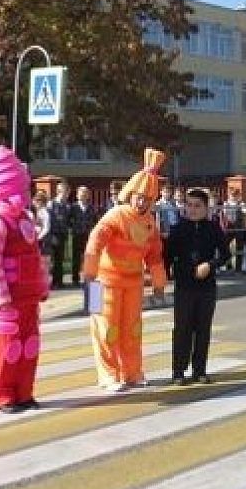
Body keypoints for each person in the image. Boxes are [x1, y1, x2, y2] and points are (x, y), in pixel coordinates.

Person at [81, 148, 168, 392]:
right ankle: (108, 375)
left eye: (147, 198)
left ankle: (132, 372)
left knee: (132, 329)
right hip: (102, 282)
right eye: (139, 196)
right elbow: (95, 242)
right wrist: (88, 275)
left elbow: (154, 255)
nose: (141, 201)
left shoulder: (150, 222)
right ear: (130, 194)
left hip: (133, 283)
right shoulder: (115, 215)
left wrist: (159, 285)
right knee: (105, 329)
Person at [0, 146, 49, 413]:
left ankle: (24, 392)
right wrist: (1, 297)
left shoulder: (26, 219)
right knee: (8, 346)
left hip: (29, 297)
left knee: (29, 345)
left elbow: (36, 255)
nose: (25, 194)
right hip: (8, 299)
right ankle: (4, 395)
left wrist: (42, 285)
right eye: (21, 188)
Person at [164, 187, 230, 385]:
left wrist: (210, 265)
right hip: (184, 286)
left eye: (197, 206)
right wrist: (164, 278)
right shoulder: (178, 229)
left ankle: (199, 370)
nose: (192, 209)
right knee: (182, 329)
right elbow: (166, 257)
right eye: (189, 205)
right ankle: (178, 371)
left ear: (206, 208)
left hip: (206, 286)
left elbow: (225, 255)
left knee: (203, 329)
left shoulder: (213, 228)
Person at [68, 186, 98, 286]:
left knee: (88, 258)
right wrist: (73, 229)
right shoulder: (73, 208)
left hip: (88, 236)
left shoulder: (92, 208)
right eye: (81, 193)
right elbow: (69, 221)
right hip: (77, 235)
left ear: (88, 196)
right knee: (76, 258)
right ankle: (75, 279)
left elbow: (95, 222)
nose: (83, 195)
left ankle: (87, 278)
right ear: (77, 195)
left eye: (85, 194)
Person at [46, 182, 71, 290]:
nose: (67, 194)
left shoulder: (67, 205)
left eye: (68, 192)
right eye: (65, 191)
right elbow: (48, 221)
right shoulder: (51, 204)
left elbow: (67, 220)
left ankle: (59, 281)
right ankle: (53, 282)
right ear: (59, 191)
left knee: (60, 259)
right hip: (54, 235)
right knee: (53, 260)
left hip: (62, 235)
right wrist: (50, 236)